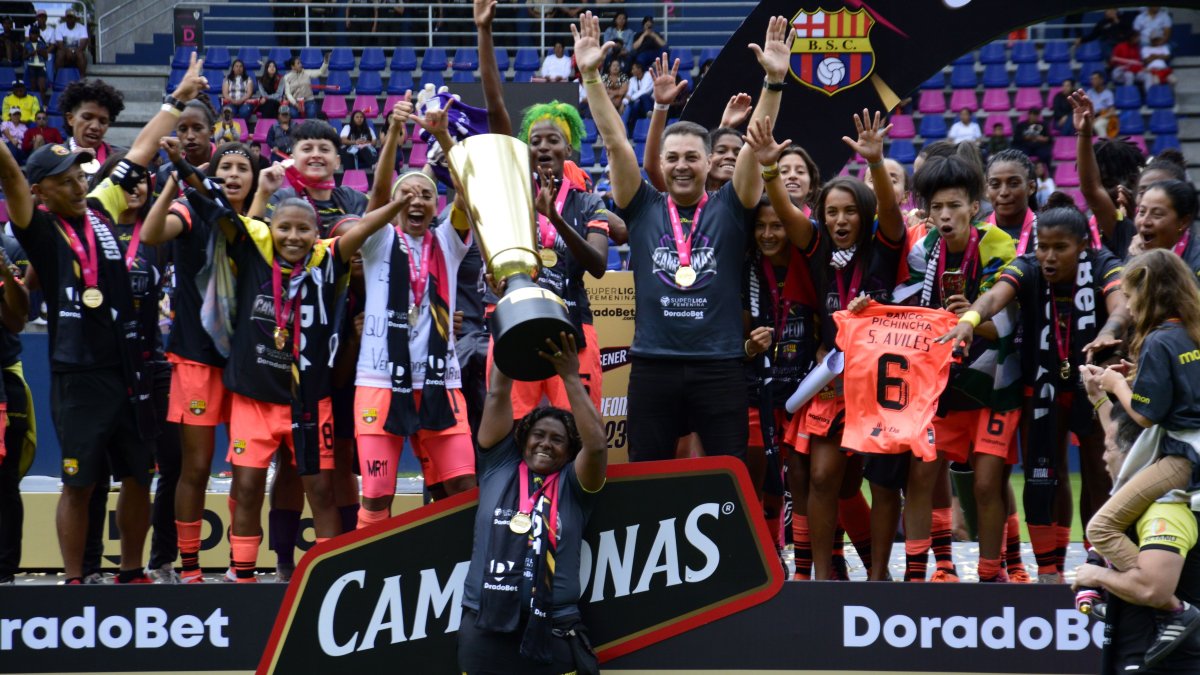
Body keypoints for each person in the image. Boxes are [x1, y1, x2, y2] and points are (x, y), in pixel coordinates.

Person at [0, 53, 207, 585]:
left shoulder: (102, 208)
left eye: (79, 176)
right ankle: (75, 580)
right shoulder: (39, 231)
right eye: (65, 180)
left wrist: (179, 96)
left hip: (130, 368)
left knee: (139, 475)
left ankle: (132, 571)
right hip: (78, 373)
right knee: (79, 482)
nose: (77, 185)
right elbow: (14, 181)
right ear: (42, 190)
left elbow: (138, 150)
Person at [581, 11, 787, 462]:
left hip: (720, 367)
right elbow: (617, 143)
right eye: (672, 157)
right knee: (647, 478)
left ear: (710, 161)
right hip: (654, 365)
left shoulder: (732, 206)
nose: (679, 165)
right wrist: (592, 76)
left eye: (691, 157)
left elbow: (756, 141)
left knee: (724, 476)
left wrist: (773, 83)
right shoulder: (642, 205)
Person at [210, 167, 413, 582]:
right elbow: (229, 216)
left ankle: (326, 580)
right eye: (284, 228)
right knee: (247, 487)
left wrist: (399, 204)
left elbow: (365, 228)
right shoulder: (254, 255)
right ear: (271, 228)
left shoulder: (327, 259)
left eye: (303, 229)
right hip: (255, 398)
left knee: (320, 490)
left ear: (316, 234)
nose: (293, 237)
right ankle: (241, 575)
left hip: (309, 402)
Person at [938, 206, 1129, 583]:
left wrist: (1110, 329)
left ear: (1082, 247)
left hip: (1091, 381)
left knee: (1097, 470)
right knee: (1045, 470)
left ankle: (1097, 559)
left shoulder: (1105, 262)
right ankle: (1049, 569)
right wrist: (969, 320)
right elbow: (994, 297)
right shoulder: (1027, 265)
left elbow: (1121, 303)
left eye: (1061, 248)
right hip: (1039, 382)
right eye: (1044, 247)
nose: (1049, 257)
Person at [353, 101, 479, 528]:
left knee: (461, 489)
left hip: (441, 383)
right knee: (376, 499)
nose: (416, 200)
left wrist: (444, 138)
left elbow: (468, 194)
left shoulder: (449, 240)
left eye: (426, 193)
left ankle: (461, 578)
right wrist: (392, 134)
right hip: (379, 383)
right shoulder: (378, 238)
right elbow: (376, 197)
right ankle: (367, 582)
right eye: (407, 193)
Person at [896, 155, 1019, 583]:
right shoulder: (922, 249)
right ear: (926, 212)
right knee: (921, 474)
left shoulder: (998, 243)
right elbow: (904, 308)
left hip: (992, 379)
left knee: (986, 483)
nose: (945, 216)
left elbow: (1005, 317)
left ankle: (991, 577)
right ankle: (919, 574)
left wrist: (972, 319)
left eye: (954, 206)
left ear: (974, 206)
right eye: (936, 208)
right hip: (939, 383)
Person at [141, 140, 260, 584]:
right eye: (224, 166)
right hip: (196, 362)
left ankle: (240, 566)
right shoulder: (190, 210)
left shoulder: (264, 224)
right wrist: (175, 178)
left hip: (247, 366)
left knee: (246, 472)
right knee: (195, 467)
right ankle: (189, 569)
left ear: (253, 178)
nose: (232, 174)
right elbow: (152, 235)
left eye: (241, 168)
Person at [458, 332, 606, 675]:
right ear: (523, 439)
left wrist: (570, 376)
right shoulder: (498, 466)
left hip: (552, 631)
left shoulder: (575, 485)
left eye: (558, 440)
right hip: (485, 631)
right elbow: (497, 393)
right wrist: (510, 343)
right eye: (538, 435)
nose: (546, 444)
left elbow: (596, 446)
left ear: (569, 452)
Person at [1081, 249, 1200, 668]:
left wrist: (1115, 382)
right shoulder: (1190, 333)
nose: (1127, 308)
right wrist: (1136, 377)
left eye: (1130, 297)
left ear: (1149, 293)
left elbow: (1146, 416)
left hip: (1183, 457)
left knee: (1101, 526)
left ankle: (1172, 605)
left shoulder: (1159, 340)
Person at [91, 151, 182, 583]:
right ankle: (88, 568)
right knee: (91, 472)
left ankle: (160, 561)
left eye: (144, 180)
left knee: (162, 466)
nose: (136, 187)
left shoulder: (159, 234)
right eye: (126, 180)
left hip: (152, 365)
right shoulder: (92, 231)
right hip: (101, 367)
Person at [255, 118, 368, 235]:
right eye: (307, 149)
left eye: (324, 149)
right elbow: (255, 244)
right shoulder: (281, 200)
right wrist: (262, 193)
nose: (316, 154)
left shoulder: (355, 199)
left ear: (337, 161)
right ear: (293, 160)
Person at [0, 207, 32, 586]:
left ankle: (5, 571)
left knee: (5, 481)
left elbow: (17, 319)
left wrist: (5, 271)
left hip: (5, 378)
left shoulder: (8, 249)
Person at [1069, 90, 1141, 260]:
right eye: (1104, 184)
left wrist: (1085, 134)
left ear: (1133, 182)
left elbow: (1092, 189)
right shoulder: (1080, 229)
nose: (1111, 192)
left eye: (1108, 183)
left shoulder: (1146, 227)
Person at [60, 78, 125, 176]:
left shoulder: (122, 160)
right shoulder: (52, 159)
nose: (95, 127)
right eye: (87, 117)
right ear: (70, 119)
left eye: (103, 121)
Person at [283, 53, 328, 119]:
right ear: (293, 67)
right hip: (294, 102)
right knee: (293, 114)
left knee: (311, 113)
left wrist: (325, 62)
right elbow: (288, 94)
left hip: (309, 101)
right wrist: (295, 104)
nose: (301, 65)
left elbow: (320, 72)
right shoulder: (287, 77)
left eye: (300, 63)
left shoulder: (307, 72)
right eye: (298, 63)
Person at [50, 9, 89, 76]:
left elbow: (83, 44)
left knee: (80, 54)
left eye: (72, 17)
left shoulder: (82, 28)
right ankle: (58, 77)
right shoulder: (59, 28)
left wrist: (73, 52)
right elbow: (60, 44)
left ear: (75, 19)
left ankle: (82, 78)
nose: (70, 19)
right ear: (65, 18)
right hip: (64, 51)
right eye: (68, 17)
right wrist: (67, 51)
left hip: (77, 51)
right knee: (60, 54)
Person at [623, 60, 653, 136]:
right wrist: (624, 103)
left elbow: (645, 91)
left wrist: (632, 98)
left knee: (643, 97)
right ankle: (626, 130)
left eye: (633, 69)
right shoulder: (632, 80)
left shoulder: (648, 75)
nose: (632, 71)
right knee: (631, 106)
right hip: (638, 104)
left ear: (639, 69)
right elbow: (629, 94)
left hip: (650, 101)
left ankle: (649, 117)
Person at [1085, 72, 1117, 138]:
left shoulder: (1108, 93)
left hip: (1104, 117)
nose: (1092, 81)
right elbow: (1086, 108)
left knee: (1098, 125)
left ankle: (1105, 145)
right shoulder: (1089, 93)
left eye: (1095, 79)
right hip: (1092, 116)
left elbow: (1112, 112)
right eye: (1092, 79)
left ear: (1101, 80)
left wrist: (1100, 117)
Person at [22, 27, 49, 101]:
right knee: (33, 88)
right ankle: (34, 104)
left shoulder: (42, 44)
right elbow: (24, 57)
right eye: (32, 34)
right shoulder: (27, 44)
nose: (33, 36)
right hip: (31, 67)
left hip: (41, 67)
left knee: (42, 88)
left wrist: (41, 52)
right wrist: (31, 54)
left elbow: (46, 57)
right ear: (30, 34)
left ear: (38, 35)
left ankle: (42, 105)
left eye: (35, 34)